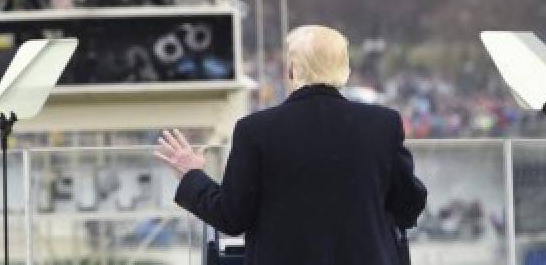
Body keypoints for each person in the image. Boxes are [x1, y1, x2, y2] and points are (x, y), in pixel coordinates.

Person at [154, 25, 427, 265]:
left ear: (292, 70)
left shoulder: (256, 130)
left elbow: (232, 217)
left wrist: (192, 175)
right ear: (345, 69)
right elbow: (410, 204)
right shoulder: (383, 125)